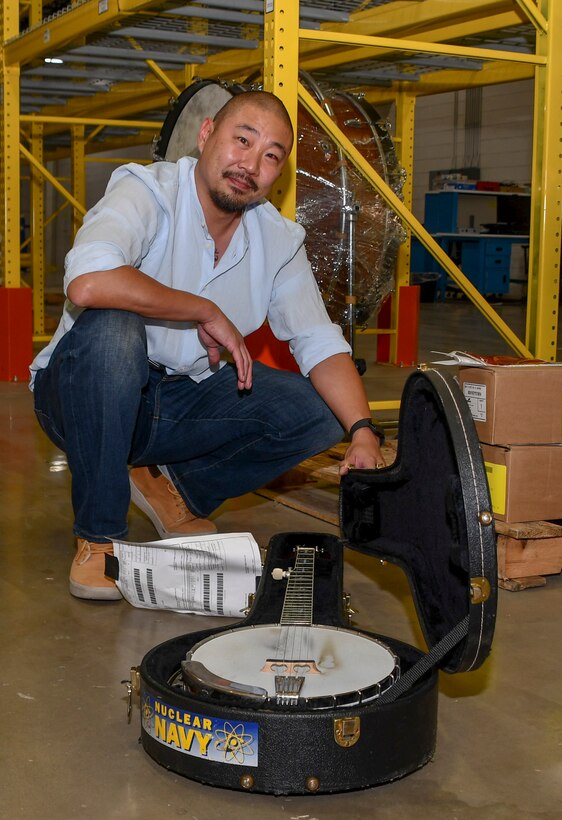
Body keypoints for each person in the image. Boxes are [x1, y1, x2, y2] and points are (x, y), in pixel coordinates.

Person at [30, 90, 385, 601]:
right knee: (113, 329)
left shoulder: (278, 241)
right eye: (242, 140)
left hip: (177, 398)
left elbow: (317, 339)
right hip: (82, 393)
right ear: (205, 135)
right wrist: (202, 309)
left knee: (322, 410)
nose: (251, 165)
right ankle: (99, 537)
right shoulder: (147, 191)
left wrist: (364, 430)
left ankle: (172, 486)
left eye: (271, 156)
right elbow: (88, 282)